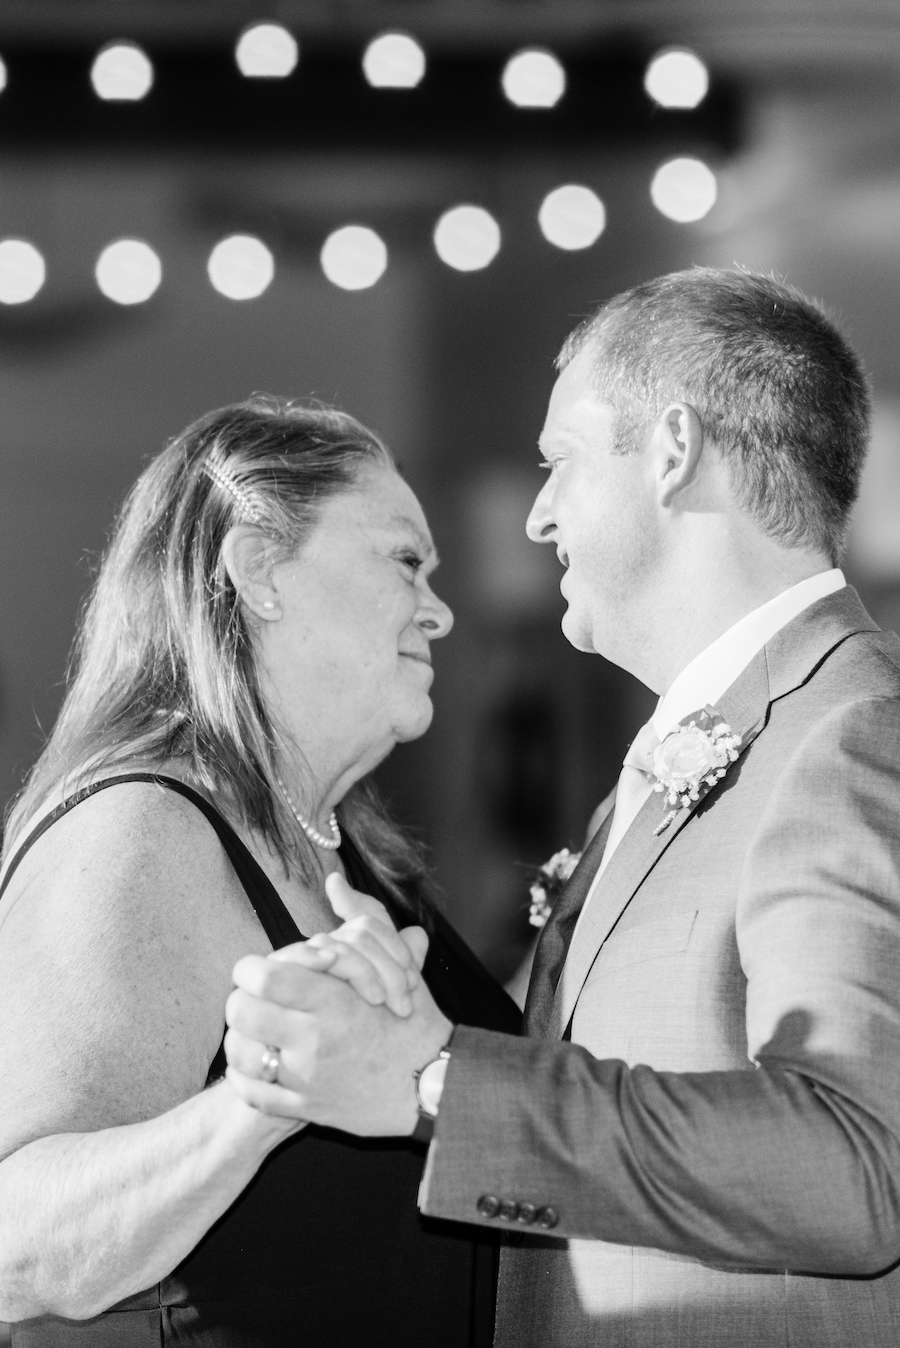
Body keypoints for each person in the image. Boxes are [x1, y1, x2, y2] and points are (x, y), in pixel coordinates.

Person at [224, 268, 900, 1347]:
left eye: (561, 463)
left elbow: (853, 1164)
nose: (538, 514)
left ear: (673, 451)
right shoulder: (718, 739)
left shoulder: (853, 736)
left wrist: (438, 1081)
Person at [0, 396, 520, 1347]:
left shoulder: (347, 846)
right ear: (260, 569)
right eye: (406, 560)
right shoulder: (141, 830)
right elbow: (18, 1247)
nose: (440, 611)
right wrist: (258, 1103)